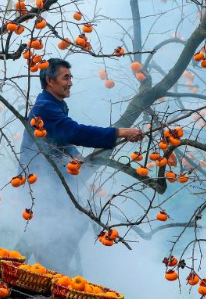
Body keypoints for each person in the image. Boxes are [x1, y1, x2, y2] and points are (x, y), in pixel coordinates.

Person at [15, 58, 142, 273]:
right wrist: (119, 132)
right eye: (66, 77)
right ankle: (49, 270)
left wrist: (75, 155)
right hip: (40, 182)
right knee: (58, 224)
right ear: (50, 80)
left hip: (49, 181)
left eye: (70, 77)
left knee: (51, 226)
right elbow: (74, 131)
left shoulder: (54, 105)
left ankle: (33, 267)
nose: (70, 82)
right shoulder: (45, 107)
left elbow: (61, 138)